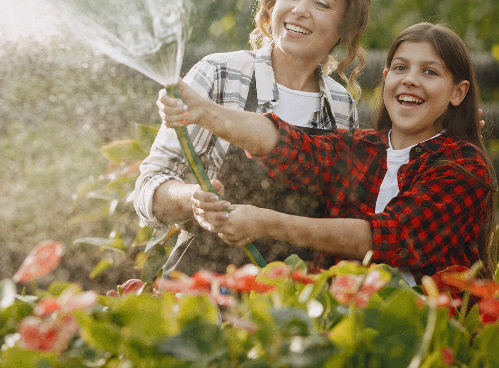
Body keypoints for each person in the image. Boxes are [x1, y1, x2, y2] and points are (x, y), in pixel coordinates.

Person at [158, 22, 498, 284]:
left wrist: (267, 223)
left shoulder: (464, 166)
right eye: (400, 68)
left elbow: (384, 237)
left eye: (429, 72)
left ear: (458, 92)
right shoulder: (362, 149)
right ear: (385, 78)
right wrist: (203, 111)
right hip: (342, 328)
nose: (410, 80)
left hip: (427, 335)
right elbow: (286, 144)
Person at [132, 0, 371, 275]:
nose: (300, 9)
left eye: (322, 3)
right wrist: (192, 198)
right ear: (273, 3)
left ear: (345, 25)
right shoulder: (219, 74)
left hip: (295, 296)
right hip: (205, 288)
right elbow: (149, 189)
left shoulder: (340, 106)